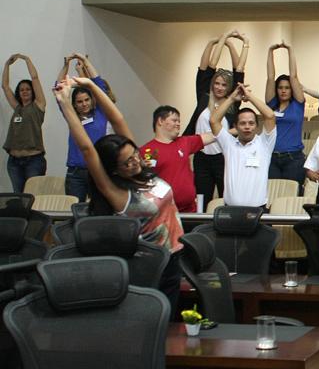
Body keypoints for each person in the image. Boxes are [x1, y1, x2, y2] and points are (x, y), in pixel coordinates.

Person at [54, 77, 184, 309]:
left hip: (174, 256)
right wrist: (65, 103)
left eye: (134, 154)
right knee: (156, 322)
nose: (136, 161)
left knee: (172, 324)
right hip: (150, 265)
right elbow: (86, 148)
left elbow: (118, 119)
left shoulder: (142, 169)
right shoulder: (117, 193)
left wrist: (92, 86)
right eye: (128, 162)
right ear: (114, 169)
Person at [187, 32, 248, 209]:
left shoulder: (232, 103)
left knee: (226, 196)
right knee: (202, 197)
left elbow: (239, 69)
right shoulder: (203, 98)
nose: (220, 87)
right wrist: (220, 41)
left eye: (224, 84)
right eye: (217, 83)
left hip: (224, 158)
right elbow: (207, 66)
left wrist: (235, 45)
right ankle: (200, 228)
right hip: (201, 157)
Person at [210, 84, 277, 208]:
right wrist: (231, 99)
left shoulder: (264, 143)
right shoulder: (228, 143)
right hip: (230, 209)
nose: (247, 126)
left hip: (257, 211)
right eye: (243, 123)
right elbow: (214, 120)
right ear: (235, 126)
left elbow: (270, 116)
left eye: (251, 123)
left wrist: (249, 96)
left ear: (257, 126)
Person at [57, 54, 113, 201]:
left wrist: (85, 60)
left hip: (97, 170)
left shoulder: (101, 113)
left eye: (87, 100)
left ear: (92, 100)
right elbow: (58, 89)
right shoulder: (72, 117)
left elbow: (98, 83)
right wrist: (65, 66)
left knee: (100, 210)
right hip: (75, 173)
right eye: (80, 101)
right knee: (74, 212)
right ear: (74, 104)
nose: (84, 104)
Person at [141, 106, 215, 213]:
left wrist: (235, 131)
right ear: (160, 121)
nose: (178, 124)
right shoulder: (148, 151)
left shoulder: (184, 142)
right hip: (163, 213)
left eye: (179, 121)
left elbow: (214, 136)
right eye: (174, 120)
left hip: (190, 211)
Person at [265, 41, 307, 188]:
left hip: (293, 158)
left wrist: (290, 49)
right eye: (280, 88)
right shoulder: (271, 104)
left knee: (291, 194)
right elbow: (270, 77)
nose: (283, 90)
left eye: (287, 88)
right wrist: (270, 51)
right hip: (272, 157)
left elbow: (293, 76)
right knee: (271, 195)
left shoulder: (298, 104)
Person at [3, 54, 46, 193]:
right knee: (18, 198)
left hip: (33, 161)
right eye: (22, 90)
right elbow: (5, 86)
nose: (25, 91)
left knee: (33, 197)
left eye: (27, 89)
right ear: (19, 93)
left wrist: (26, 59)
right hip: (14, 162)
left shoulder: (38, 105)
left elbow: (34, 78)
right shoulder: (17, 108)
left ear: (33, 91)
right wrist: (6, 65)